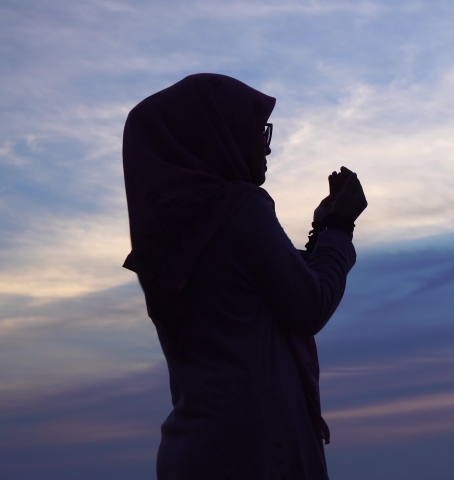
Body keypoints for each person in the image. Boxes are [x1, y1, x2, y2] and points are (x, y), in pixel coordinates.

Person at [121, 73, 367, 480]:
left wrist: (322, 231)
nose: (267, 145)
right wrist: (340, 228)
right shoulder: (240, 211)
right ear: (217, 133)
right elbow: (308, 306)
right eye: (258, 130)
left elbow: (264, 295)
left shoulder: (166, 238)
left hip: (195, 451)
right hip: (259, 451)